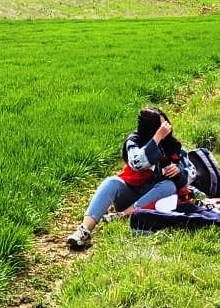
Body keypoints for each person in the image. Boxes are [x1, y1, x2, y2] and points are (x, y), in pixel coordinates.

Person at [67, 107, 187, 250]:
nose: (166, 129)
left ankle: (123, 215)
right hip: (130, 191)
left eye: (166, 124)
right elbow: (137, 163)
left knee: (169, 186)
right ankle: (84, 230)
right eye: (161, 127)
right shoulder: (133, 141)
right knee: (111, 182)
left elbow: (187, 176)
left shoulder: (173, 146)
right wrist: (157, 138)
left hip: (153, 198)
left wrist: (178, 171)